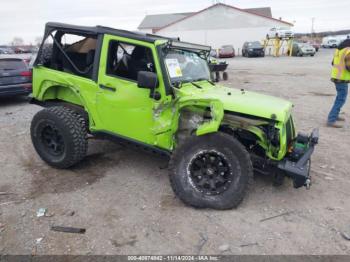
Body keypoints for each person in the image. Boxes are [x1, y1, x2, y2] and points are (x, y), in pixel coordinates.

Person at [327, 38, 350, 127]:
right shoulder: (348, 51)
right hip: (342, 79)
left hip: (336, 77)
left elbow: (333, 63)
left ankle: (334, 115)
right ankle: (331, 119)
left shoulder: (339, 49)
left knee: (339, 98)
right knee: (341, 99)